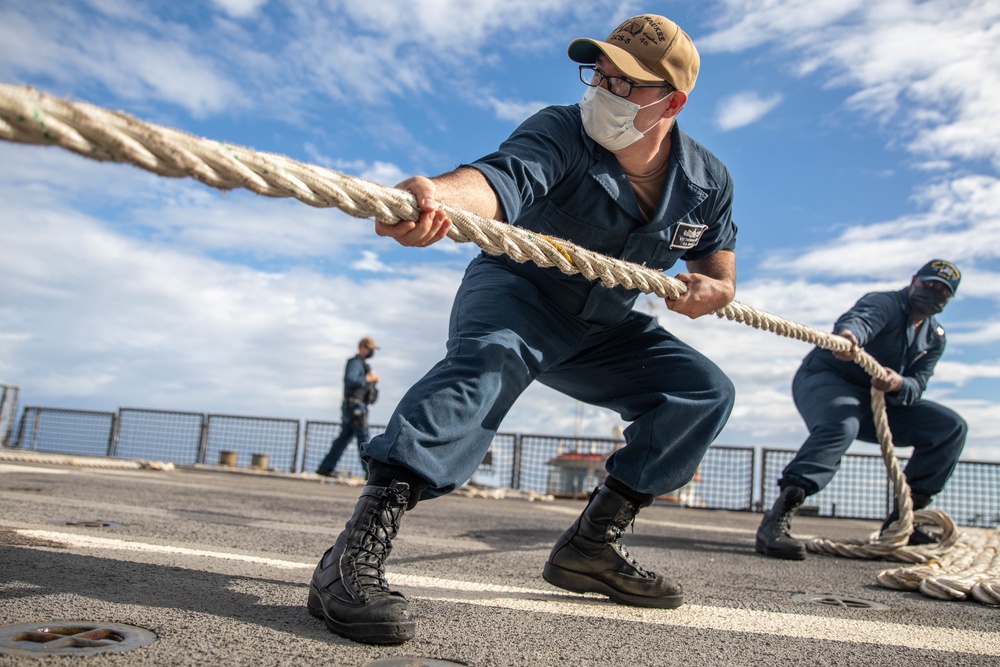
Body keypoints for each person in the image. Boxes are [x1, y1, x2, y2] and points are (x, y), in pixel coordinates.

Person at [308, 14, 739, 644]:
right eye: (601, 74)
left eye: (627, 85)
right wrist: (441, 198)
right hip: (519, 294)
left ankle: (590, 548)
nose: (603, 92)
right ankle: (350, 558)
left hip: (605, 324)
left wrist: (715, 289)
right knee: (487, 364)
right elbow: (499, 179)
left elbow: (718, 264)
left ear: (671, 102)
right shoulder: (562, 129)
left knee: (703, 392)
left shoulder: (708, 182)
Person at [756, 260, 968, 560]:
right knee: (842, 425)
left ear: (948, 300)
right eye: (928, 284)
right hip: (829, 380)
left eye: (941, 291)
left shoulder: (935, 337)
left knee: (950, 427)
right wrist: (849, 337)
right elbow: (862, 320)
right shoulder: (885, 302)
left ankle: (902, 522)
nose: (932, 292)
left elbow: (917, 384)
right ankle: (776, 520)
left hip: (882, 399)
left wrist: (898, 384)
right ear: (913, 280)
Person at [316, 336, 380, 477]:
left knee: (344, 438)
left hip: (355, 405)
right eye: (370, 349)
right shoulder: (355, 363)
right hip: (355, 406)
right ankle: (370, 474)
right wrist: (367, 379)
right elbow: (350, 380)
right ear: (363, 348)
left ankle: (325, 468)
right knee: (363, 438)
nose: (372, 352)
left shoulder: (363, 365)